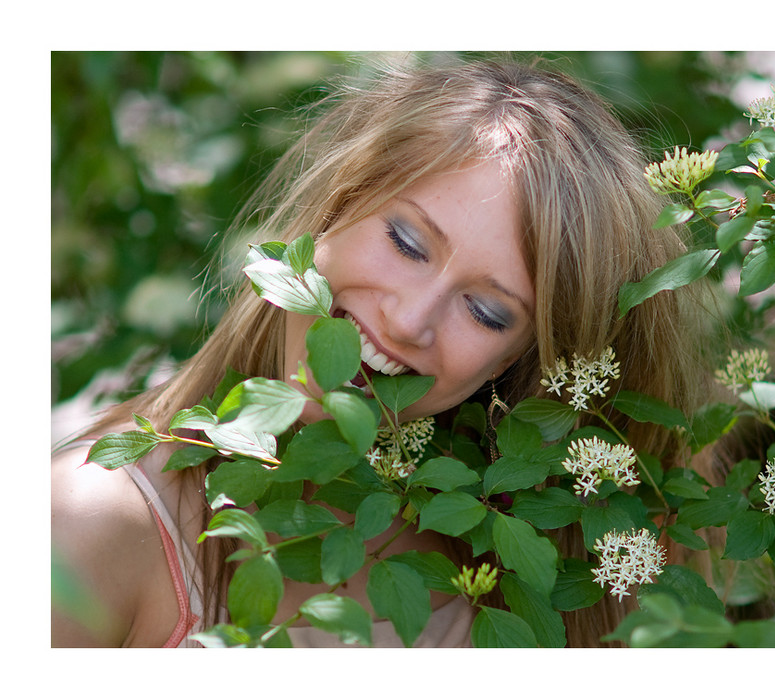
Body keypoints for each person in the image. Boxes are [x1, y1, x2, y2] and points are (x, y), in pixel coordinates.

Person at [51, 57, 718, 648]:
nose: (408, 319)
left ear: (516, 367)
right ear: (337, 206)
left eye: (487, 311)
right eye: (406, 242)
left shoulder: (528, 574)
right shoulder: (93, 525)